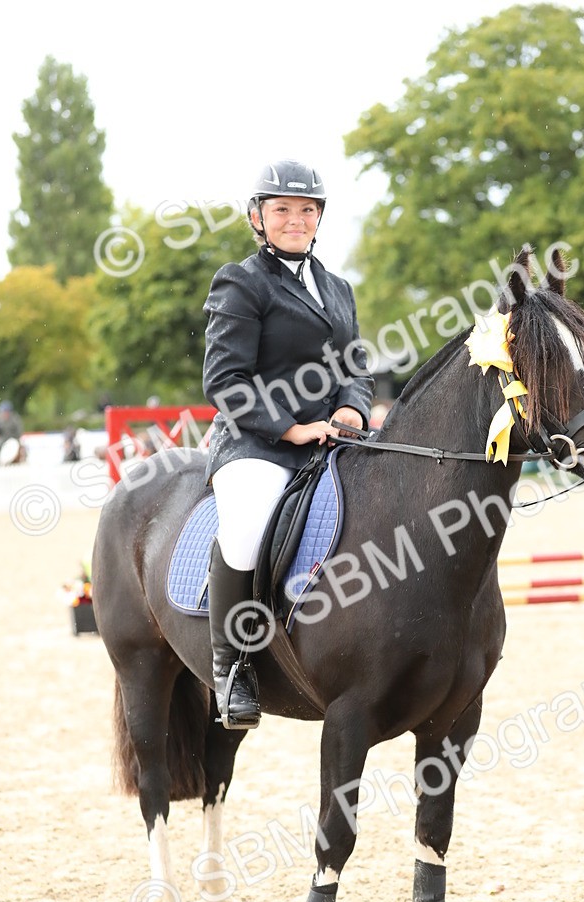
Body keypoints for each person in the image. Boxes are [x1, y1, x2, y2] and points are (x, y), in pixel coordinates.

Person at [202, 159, 374, 729]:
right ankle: (233, 669)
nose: (295, 220)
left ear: (319, 218)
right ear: (259, 216)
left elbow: (354, 365)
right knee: (248, 527)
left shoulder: (337, 287)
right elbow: (225, 381)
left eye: (307, 210)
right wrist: (291, 428)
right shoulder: (241, 281)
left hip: (332, 437)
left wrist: (351, 405)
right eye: (282, 210)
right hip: (258, 441)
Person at [0, 401, 24, 465]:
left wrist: (14, 438)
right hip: (3, 439)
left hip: (13, 439)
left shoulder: (15, 419)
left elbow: (19, 431)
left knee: (20, 447)